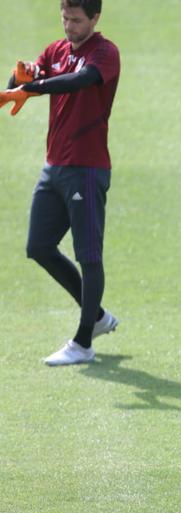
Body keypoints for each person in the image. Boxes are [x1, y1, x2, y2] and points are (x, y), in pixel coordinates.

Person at [3, 0, 121, 365]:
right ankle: (98, 316)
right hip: (54, 167)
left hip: (86, 168)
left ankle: (84, 342)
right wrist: (20, 78)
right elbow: (24, 80)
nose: (69, 26)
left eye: (76, 20)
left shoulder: (105, 53)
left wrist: (36, 86)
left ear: (95, 18)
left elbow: (80, 80)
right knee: (39, 247)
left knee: (89, 255)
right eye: (65, 18)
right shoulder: (56, 51)